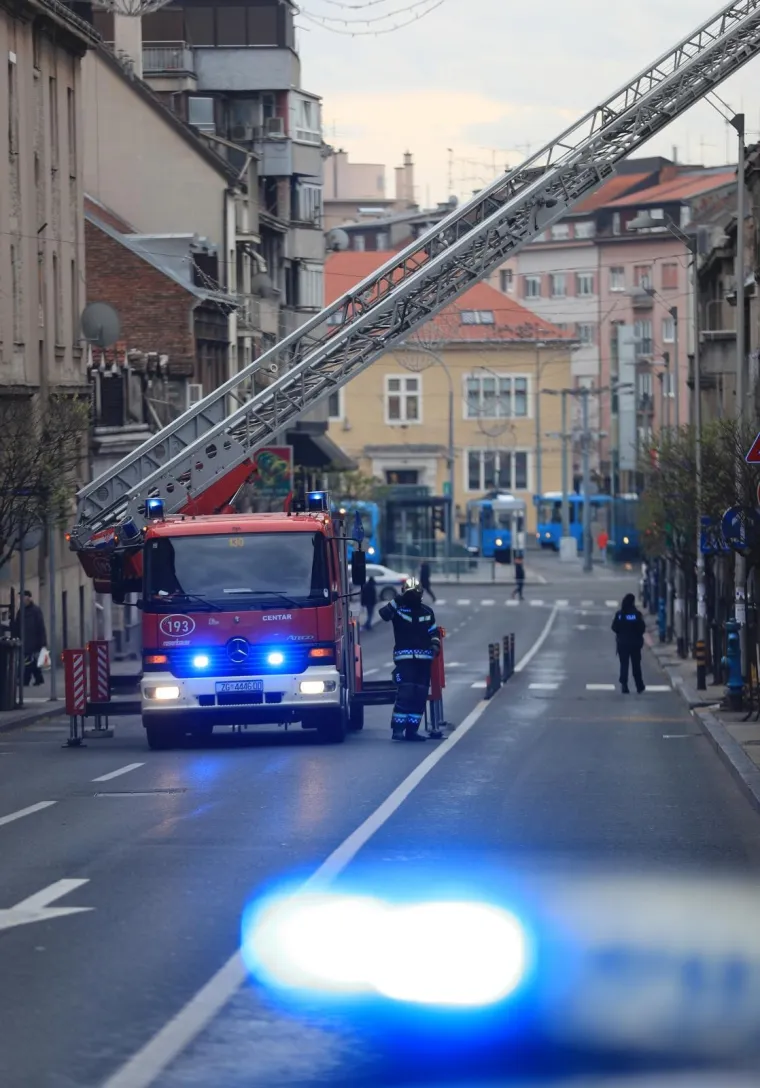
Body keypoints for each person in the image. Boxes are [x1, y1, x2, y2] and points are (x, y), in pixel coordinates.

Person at [379, 577, 441, 742]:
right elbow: (384, 615)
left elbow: (434, 633)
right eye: (409, 594)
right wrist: (397, 601)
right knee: (405, 694)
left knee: (419, 696)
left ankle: (412, 731)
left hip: (424, 661)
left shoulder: (427, 612)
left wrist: (435, 645)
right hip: (405, 660)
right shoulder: (398, 611)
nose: (412, 597)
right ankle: (398, 729)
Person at [611, 592, 646, 694]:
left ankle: (624, 685)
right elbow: (642, 628)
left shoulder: (620, 615)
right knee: (636, 666)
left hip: (622, 644)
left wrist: (621, 633)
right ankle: (639, 686)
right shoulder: (636, 615)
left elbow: (614, 627)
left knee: (624, 665)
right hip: (635, 644)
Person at [12, 589, 47, 687]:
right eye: (20, 597)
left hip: (34, 641)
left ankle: (25, 680)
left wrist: (42, 643)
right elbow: (17, 625)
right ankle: (38, 678)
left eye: (22, 597)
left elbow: (40, 627)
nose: (21, 599)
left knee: (28, 662)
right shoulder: (21, 611)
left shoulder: (36, 610)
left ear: (28, 598)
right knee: (32, 661)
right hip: (25, 640)